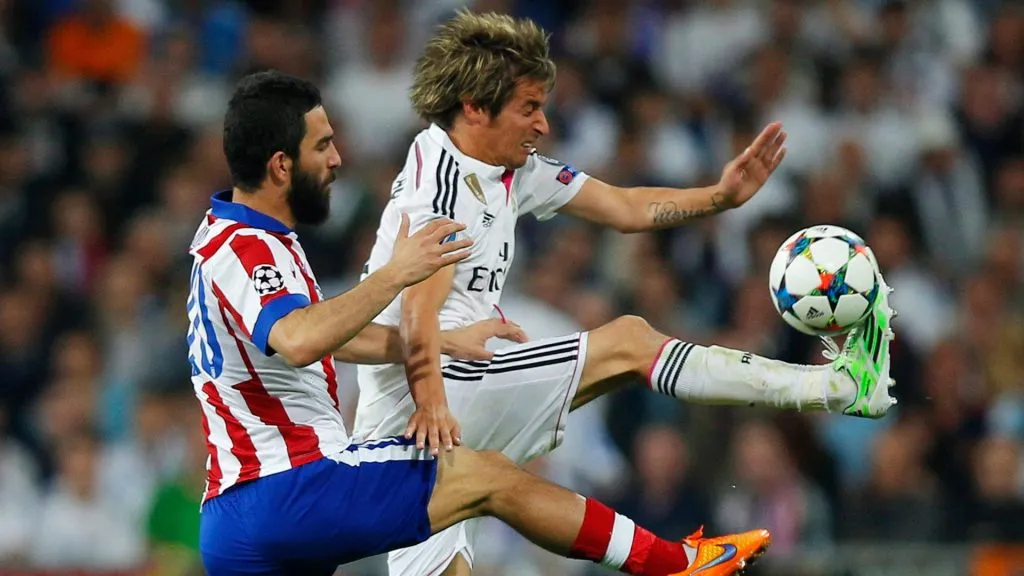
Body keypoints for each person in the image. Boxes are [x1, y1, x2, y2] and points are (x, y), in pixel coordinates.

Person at [353, 10, 897, 576]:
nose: (542, 124)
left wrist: (719, 197)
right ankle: (835, 386)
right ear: (473, 106)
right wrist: (435, 406)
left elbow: (622, 207)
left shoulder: (506, 167)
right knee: (629, 341)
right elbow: (415, 310)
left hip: (415, 440)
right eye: (529, 108)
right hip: (436, 401)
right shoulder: (441, 189)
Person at [190, 69, 774, 576]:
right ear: (281, 164)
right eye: (323, 146)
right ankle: (677, 564)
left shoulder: (233, 239)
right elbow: (297, 340)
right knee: (486, 476)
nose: (338, 159)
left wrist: (441, 339)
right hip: (287, 490)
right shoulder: (248, 249)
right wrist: (396, 274)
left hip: (239, 519)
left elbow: (324, 337)